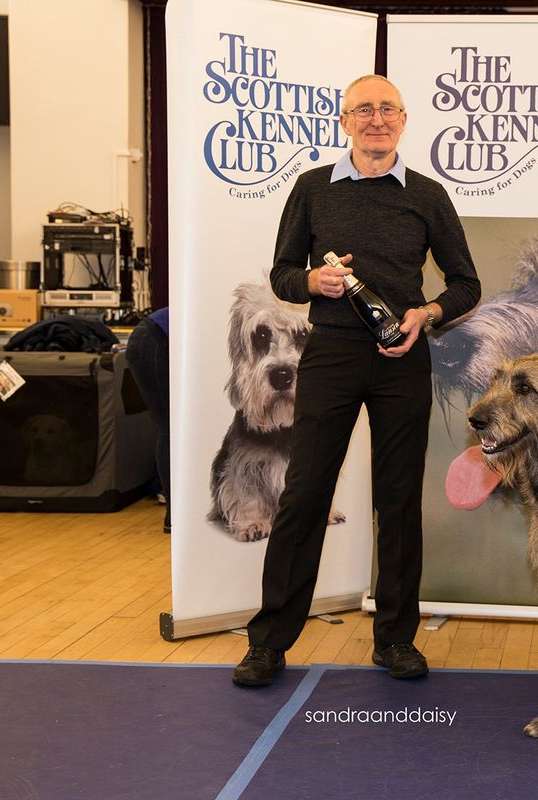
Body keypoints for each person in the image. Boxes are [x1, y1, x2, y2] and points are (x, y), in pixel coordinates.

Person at [232, 75, 481, 687]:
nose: (376, 119)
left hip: (403, 360)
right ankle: (268, 642)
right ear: (344, 121)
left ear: (404, 120)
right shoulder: (313, 189)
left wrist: (428, 315)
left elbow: (466, 284)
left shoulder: (427, 195)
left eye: (387, 109)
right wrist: (312, 283)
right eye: (363, 110)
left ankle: (396, 640)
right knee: (305, 494)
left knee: (397, 502)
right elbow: (283, 273)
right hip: (333, 356)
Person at [124, 307, 170, 533]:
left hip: (156, 338)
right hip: (152, 340)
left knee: (171, 428)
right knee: (168, 428)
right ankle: (175, 515)